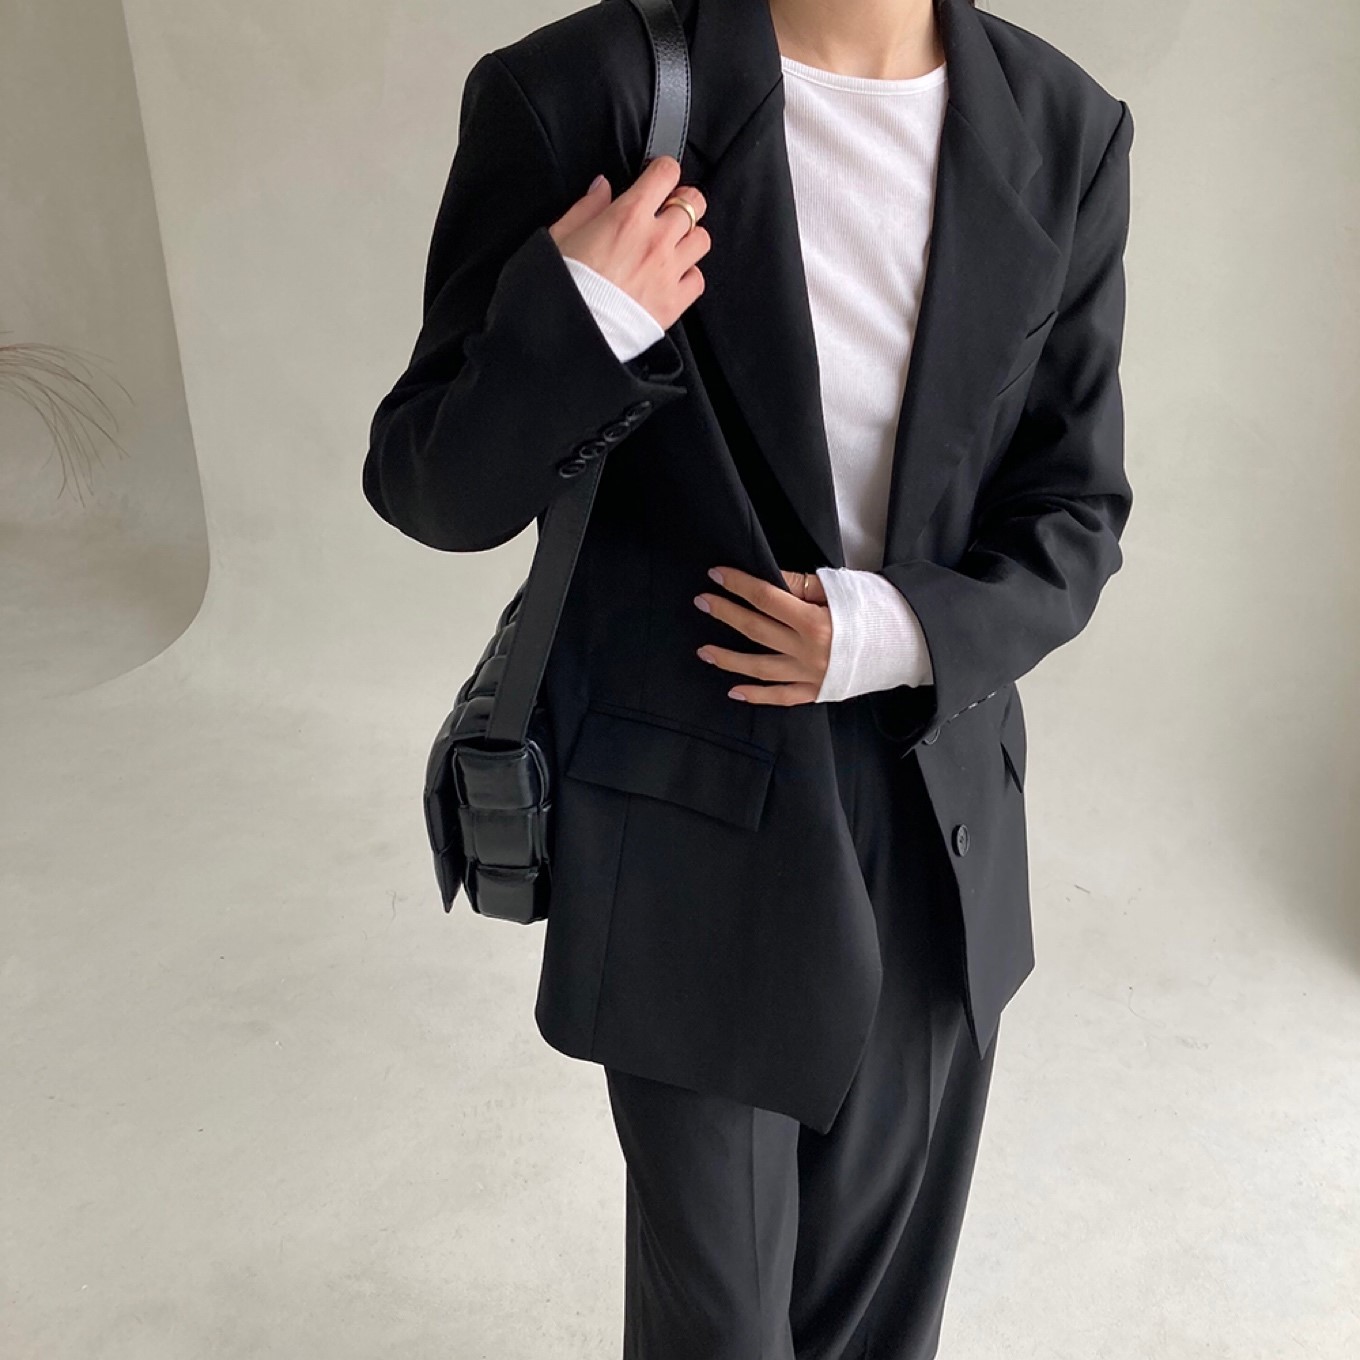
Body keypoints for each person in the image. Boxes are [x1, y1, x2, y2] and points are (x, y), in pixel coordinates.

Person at [363, 0, 1134, 1354]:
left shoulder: (1063, 127)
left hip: (933, 810)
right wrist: (583, 316)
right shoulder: (587, 93)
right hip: (684, 810)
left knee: (877, 1323)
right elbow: (431, 486)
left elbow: (1073, 508)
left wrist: (889, 633)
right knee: (717, 1328)